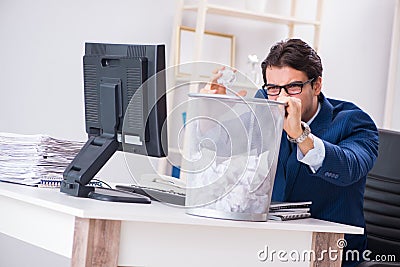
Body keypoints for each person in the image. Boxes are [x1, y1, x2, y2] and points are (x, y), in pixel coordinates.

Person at [201, 39, 379, 267]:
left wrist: (300, 135)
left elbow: (349, 168)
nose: (282, 97)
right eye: (273, 88)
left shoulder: (353, 121)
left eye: (293, 87)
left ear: (316, 85)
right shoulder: (267, 105)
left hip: (330, 253)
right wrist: (210, 111)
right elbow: (224, 147)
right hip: (273, 246)